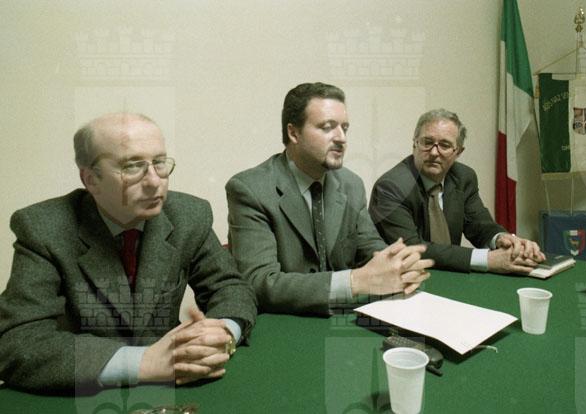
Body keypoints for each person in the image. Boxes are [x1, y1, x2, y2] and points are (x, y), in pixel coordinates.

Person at [0, 113, 257, 393]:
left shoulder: (188, 215)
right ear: (91, 180)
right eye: (132, 166)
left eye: (159, 162)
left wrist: (222, 332)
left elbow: (230, 287)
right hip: (88, 393)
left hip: (178, 385)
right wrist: (143, 363)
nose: (154, 181)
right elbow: (18, 342)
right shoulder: (44, 228)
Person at [225, 82, 433, 316]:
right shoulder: (250, 189)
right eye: (327, 127)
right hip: (283, 322)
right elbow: (259, 283)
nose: (341, 138)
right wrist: (354, 282)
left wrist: (399, 265)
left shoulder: (351, 184)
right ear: (294, 133)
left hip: (344, 320)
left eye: (345, 128)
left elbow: (370, 248)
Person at [369, 108, 545, 274]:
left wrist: (502, 239)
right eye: (427, 142)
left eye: (444, 145)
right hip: (402, 278)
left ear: (458, 152)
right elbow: (411, 250)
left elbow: (479, 225)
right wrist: (488, 260)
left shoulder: (463, 177)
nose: (434, 152)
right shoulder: (390, 186)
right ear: (415, 144)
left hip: (450, 275)